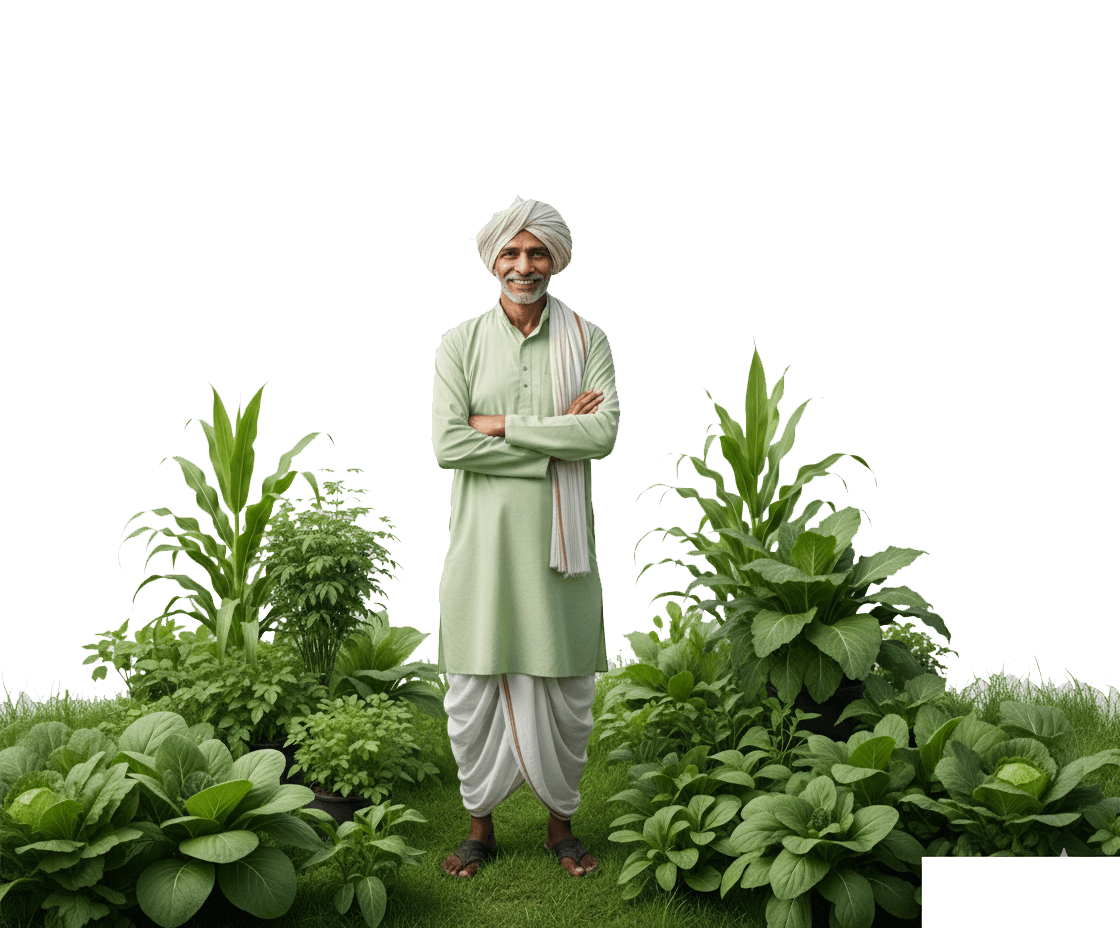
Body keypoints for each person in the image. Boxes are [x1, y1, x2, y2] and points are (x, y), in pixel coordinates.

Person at [430, 195, 621, 879]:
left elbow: (602, 433)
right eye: (511, 252)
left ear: (556, 259)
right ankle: (478, 829)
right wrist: (551, 437)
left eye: (537, 252)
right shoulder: (459, 343)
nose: (524, 265)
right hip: (482, 551)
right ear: (492, 259)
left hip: (560, 558)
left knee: (566, 688)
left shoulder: (590, 339)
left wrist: (503, 425)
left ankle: (559, 829)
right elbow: (448, 443)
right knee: (474, 687)